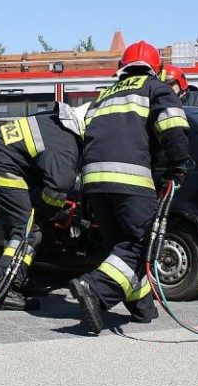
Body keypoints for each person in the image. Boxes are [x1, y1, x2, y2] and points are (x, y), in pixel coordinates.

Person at [70, 41, 191, 334]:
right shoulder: (155, 88)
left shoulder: (103, 95)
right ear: (156, 68)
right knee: (140, 244)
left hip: (95, 183)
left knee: (122, 248)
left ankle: (142, 308)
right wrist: (177, 166)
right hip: (131, 180)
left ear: (122, 67)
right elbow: (173, 127)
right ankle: (95, 288)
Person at [0, 101, 90, 311]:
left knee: (22, 228)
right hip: (1, 166)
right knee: (28, 230)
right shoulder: (65, 145)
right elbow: (57, 190)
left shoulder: (54, 124)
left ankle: (18, 279)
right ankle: (6, 289)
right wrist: (44, 215)